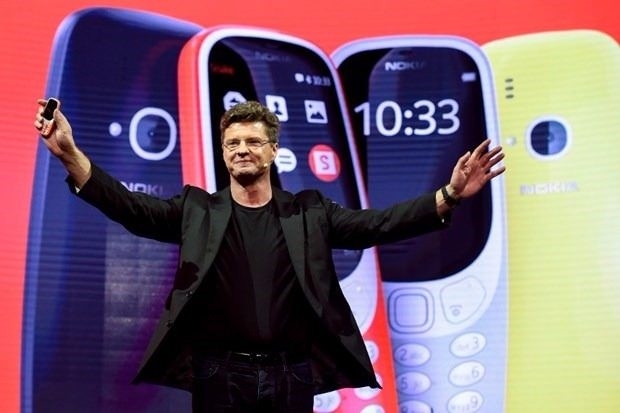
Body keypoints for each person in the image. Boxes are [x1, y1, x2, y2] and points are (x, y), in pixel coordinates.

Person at [34, 98, 505, 413]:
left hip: (291, 373)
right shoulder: (197, 210)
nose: (242, 150)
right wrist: (69, 154)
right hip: (218, 372)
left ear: (273, 151)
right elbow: (129, 207)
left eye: (253, 142)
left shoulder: (309, 211)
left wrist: (448, 195)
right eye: (233, 143)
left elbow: (378, 224)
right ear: (224, 153)